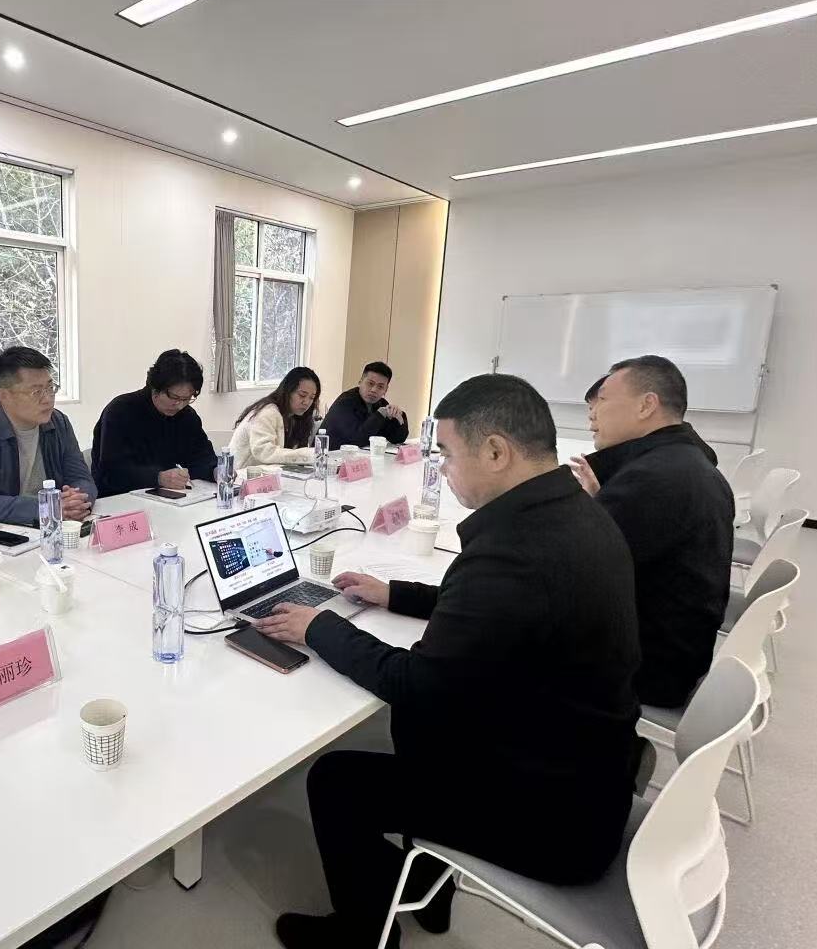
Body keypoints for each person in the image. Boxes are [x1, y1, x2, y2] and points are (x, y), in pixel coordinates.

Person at [255, 374, 641, 949]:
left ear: (496, 451)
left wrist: (320, 627)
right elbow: (500, 612)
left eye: (448, 454)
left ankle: (363, 934)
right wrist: (397, 595)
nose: (443, 468)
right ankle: (428, 892)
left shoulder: (513, 554)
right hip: (587, 776)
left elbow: (414, 684)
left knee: (337, 780)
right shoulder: (573, 516)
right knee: (420, 736)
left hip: (552, 819)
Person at [570, 355, 734, 709]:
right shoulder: (682, 461)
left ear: (646, 405)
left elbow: (572, 568)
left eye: (602, 400)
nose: (593, 413)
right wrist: (601, 504)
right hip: (677, 652)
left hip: (648, 669)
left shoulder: (654, 479)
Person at [0, 346, 96, 528]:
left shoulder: (59, 423)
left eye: (50, 388)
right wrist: (47, 508)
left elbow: (82, 479)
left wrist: (77, 500)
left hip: (41, 528)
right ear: (4, 396)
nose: (48, 399)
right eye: (36, 392)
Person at [90, 350, 218, 498]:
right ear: (156, 388)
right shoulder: (120, 411)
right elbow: (112, 472)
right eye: (174, 397)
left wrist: (216, 471)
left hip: (174, 499)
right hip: (121, 500)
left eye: (186, 399)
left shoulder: (187, 416)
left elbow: (202, 456)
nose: (179, 405)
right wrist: (158, 478)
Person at [228, 367, 321, 469]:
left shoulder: (297, 417)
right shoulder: (267, 412)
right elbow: (264, 452)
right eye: (302, 395)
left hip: (269, 475)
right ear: (288, 391)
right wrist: (306, 454)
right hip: (240, 475)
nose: (306, 402)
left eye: (312, 398)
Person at [319, 361, 409, 449]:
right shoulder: (345, 402)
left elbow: (397, 439)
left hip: (356, 456)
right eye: (370, 384)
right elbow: (356, 440)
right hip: (326, 454)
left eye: (380, 386)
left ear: (386, 390)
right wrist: (379, 415)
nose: (374, 390)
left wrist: (398, 417)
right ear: (360, 381)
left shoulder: (381, 404)